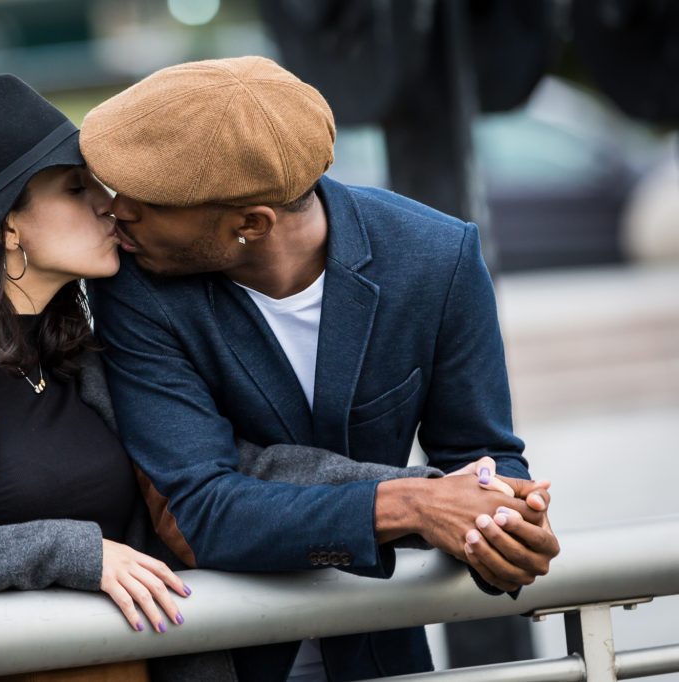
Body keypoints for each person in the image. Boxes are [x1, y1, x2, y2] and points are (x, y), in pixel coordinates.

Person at [0, 75, 466, 682]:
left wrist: (425, 499)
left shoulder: (88, 350)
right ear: (7, 228)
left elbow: (233, 468)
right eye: (77, 187)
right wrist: (65, 552)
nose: (111, 204)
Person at [81, 56, 560, 681]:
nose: (119, 212)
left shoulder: (437, 258)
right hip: (220, 648)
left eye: (148, 201)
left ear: (250, 224)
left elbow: (482, 455)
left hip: (378, 650)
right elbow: (202, 507)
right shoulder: (135, 288)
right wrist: (409, 504)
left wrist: (505, 523)